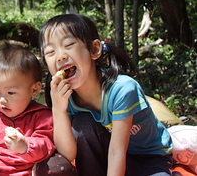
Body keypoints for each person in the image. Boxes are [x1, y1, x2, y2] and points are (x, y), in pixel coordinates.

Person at [39, 13, 174, 176]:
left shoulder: (122, 89)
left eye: (69, 45)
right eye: (50, 52)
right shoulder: (66, 98)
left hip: (148, 159)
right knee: (83, 123)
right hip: (107, 157)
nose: (60, 56)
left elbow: (118, 152)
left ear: (94, 49)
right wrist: (59, 110)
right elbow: (68, 155)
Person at [0, 42, 77, 176]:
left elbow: (46, 147)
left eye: (11, 93)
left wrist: (25, 146)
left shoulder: (42, 117)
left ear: (34, 89)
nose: (2, 99)